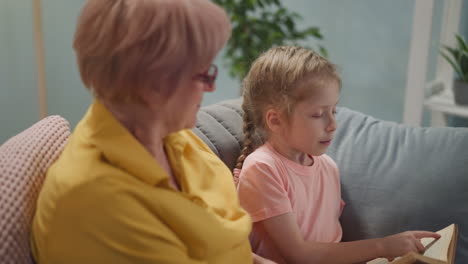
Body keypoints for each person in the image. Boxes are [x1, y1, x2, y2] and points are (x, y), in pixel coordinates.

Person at [31, 0, 274, 263]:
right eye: (204, 74)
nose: (211, 88)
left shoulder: (172, 137)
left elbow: (223, 246)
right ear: (154, 84)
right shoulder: (98, 201)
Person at [234, 46, 440, 264]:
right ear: (275, 120)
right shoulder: (263, 168)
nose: (333, 125)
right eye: (318, 114)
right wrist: (382, 246)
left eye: (334, 111)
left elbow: (331, 245)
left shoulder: (327, 167)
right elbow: (300, 254)